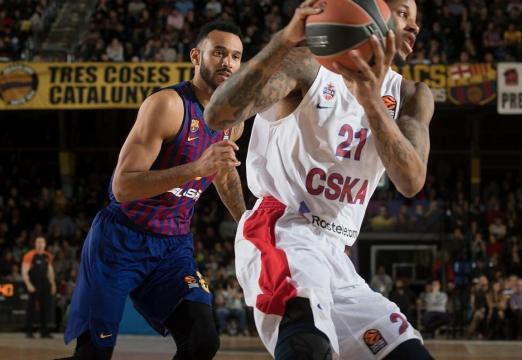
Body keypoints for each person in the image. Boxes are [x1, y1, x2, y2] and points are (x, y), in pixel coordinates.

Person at [205, 0, 434, 358]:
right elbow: (218, 114)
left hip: (337, 256)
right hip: (283, 228)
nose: (415, 26)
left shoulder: (411, 96)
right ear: (369, 13)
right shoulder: (305, 65)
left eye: (416, 19)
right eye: (403, 13)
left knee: (408, 354)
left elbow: (410, 182)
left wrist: (371, 101)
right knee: (307, 346)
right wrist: (283, 40)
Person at [61, 21, 246, 360]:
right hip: (120, 240)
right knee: (92, 356)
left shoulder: (234, 121)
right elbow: (124, 185)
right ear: (196, 56)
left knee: (203, 341)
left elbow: (222, 173)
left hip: (173, 247)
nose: (228, 63)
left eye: (235, 56)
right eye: (219, 52)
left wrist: (246, 221)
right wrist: (196, 169)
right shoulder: (168, 105)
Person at [21, 236, 56, 339]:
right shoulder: (30, 255)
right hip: (33, 283)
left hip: (44, 283)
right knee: (31, 308)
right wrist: (28, 284)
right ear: (35, 244)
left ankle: (44, 332)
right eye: (38, 242)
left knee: (45, 308)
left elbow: (50, 271)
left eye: (42, 242)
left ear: (45, 244)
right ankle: (29, 331)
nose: (40, 244)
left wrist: (53, 284)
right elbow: (24, 272)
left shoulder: (47, 256)